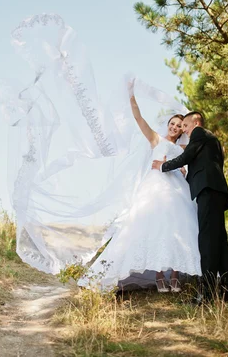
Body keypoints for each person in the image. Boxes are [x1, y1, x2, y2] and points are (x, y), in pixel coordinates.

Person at [78, 94, 201, 292]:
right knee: (156, 225)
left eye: (179, 125)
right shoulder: (156, 139)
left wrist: (182, 168)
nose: (175, 127)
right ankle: (160, 276)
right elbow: (139, 119)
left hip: (177, 188)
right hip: (156, 185)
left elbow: (192, 151)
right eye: (172, 123)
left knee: (180, 226)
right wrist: (132, 98)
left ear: (182, 129)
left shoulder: (183, 147)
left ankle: (176, 276)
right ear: (168, 124)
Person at [152, 111, 228, 302]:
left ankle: (205, 295)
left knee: (206, 242)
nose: (184, 131)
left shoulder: (199, 134)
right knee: (220, 243)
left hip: (207, 192)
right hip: (217, 193)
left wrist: (163, 166)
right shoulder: (213, 140)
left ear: (195, 123)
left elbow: (188, 156)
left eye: (185, 126)